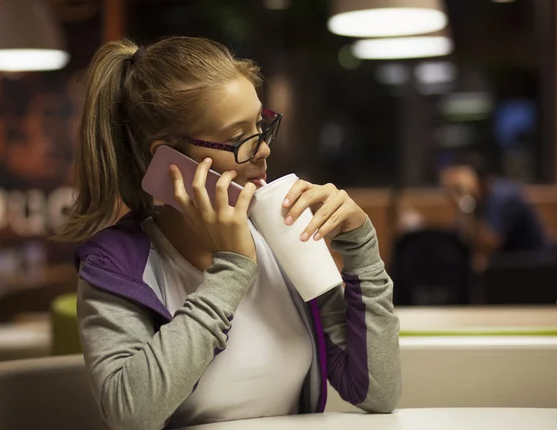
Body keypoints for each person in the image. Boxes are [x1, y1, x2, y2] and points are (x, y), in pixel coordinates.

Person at [57, 37, 400, 430]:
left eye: (260, 125)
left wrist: (361, 248)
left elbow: (377, 392)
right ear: (168, 157)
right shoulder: (115, 264)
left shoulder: (278, 232)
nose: (263, 151)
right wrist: (231, 271)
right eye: (238, 138)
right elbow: (131, 412)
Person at [440, 153, 548, 271]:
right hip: (507, 265)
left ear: (480, 180)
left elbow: (489, 243)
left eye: (458, 187)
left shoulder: (504, 198)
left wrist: (465, 201)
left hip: (533, 267)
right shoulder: (478, 199)